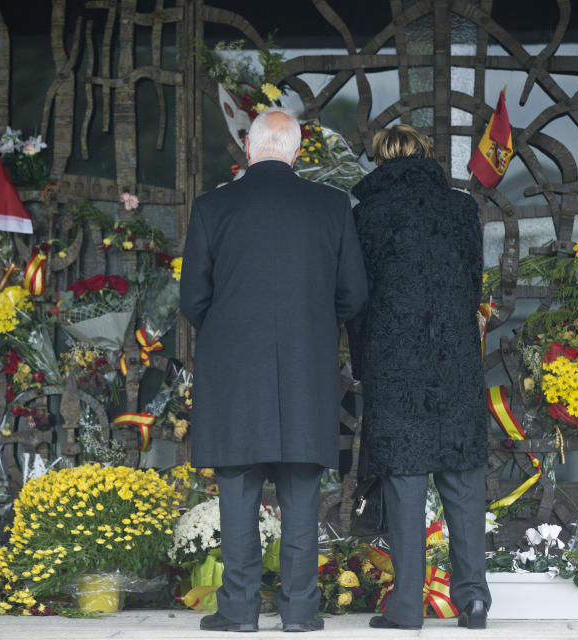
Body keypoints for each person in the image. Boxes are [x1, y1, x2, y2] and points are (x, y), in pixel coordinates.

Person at [180, 109, 368, 633]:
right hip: (307, 370)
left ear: (248, 147)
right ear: (296, 151)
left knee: (238, 492)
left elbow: (193, 297)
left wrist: (228, 334)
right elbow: (354, 293)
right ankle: (301, 611)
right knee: (302, 491)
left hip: (235, 373)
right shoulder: (331, 206)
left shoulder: (213, 206)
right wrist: (313, 327)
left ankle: (239, 611)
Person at [347, 124, 491, 630]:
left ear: (380, 159)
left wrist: (364, 359)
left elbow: (357, 301)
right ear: (426, 155)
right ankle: (472, 599)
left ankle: (407, 606)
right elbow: (473, 284)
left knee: (404, 482)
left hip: (394, 361)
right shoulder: (461, 208)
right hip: (454, 356)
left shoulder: (366, 214)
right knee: (463, 477)